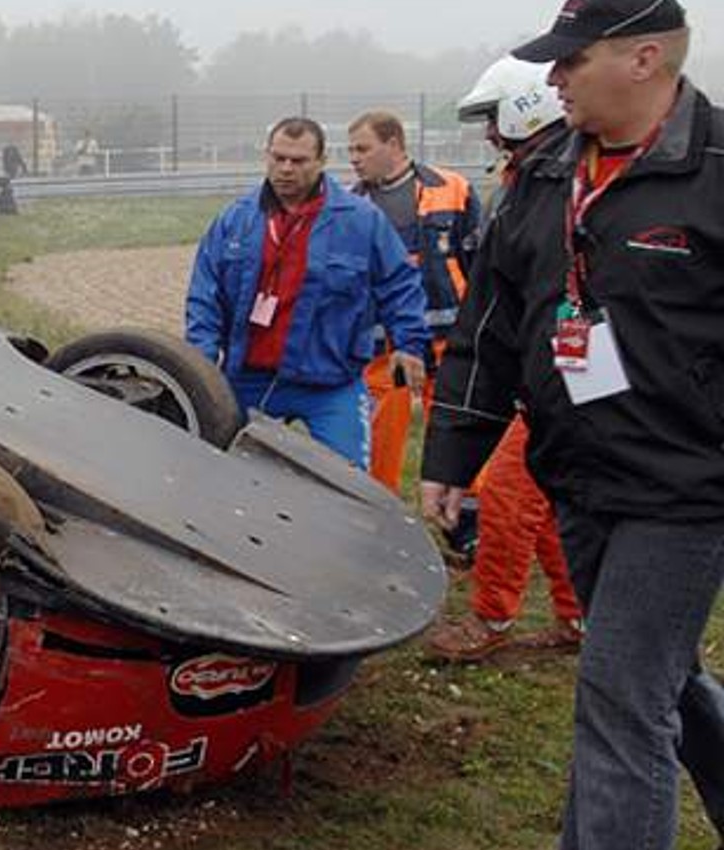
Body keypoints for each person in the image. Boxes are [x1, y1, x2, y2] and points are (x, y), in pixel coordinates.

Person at [421, 0, 724, 850]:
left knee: (617, 705)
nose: (549, 76)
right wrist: (452, 450)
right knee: (657, 680)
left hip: (684, 494)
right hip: (577, 476)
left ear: (644, 58)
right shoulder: (545, 177)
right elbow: (490, 327)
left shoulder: (714, 174)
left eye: (570, 58)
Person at [421, 59, 583, 662]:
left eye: (493, 118)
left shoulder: (554, 180)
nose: (489, 132)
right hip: (551, 372)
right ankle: (578, 617)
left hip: (553, 376)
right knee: (541, 504)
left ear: (524, 107)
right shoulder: (539, 175)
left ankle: (490, 619)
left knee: (513, 498)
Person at [185, 116, 429, 468]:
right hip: (247, 379)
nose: (286, 169)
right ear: (267, 156)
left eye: (298, 161)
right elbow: (205, 297)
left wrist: (409, 343)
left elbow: (399, 284)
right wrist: (201, 364)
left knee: (350, 487)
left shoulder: (361, 220)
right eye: (278, 158)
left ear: (321, 161)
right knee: (217, 471)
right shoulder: (235, 220)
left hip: (330, 382)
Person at [346, 109, 482, 492]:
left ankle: (466, 525)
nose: (354, 157)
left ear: (393, 144)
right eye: (351, 150)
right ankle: (377, 510)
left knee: (459, 431)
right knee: (379, 434)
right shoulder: (350, 206)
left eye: (363, 148)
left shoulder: (452, 189)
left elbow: (479, 263)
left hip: (448, 338)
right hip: (385, 345)